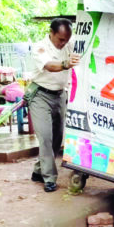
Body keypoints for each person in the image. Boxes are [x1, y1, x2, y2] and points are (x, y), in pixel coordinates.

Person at [27, 18, 80, 192]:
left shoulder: (69, 44)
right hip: (40, 95)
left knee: (57, 138)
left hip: (60, 95)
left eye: (66, 39)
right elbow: (49, 66)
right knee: (46, 137)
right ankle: (49, 178)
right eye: (60, 39)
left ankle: (38, 170)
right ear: (51, 33)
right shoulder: (40, 47)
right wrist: (66, 64)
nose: (63, 43)